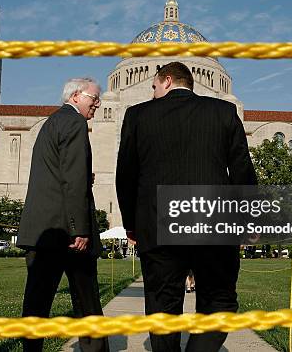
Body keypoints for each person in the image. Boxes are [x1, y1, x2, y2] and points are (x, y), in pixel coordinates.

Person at [116, 61, 257, 352]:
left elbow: (126, 175)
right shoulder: (223, 112)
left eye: (153, 86)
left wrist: (132, 223)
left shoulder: (138, 115)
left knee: (162, 306)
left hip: (157, 225)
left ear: (167, 81)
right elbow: (242, 171)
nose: (152, 92)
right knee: (219, 301)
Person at [17, 78, 109, 352]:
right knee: (87, 302)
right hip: (67, 233)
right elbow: (73, 179)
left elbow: (58, 173)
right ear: (77, 95)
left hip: (43, 230)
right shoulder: (75, 122)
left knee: (36, 302)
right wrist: (79, 228)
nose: (98, 102)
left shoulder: (53, 122)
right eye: (94, 96)